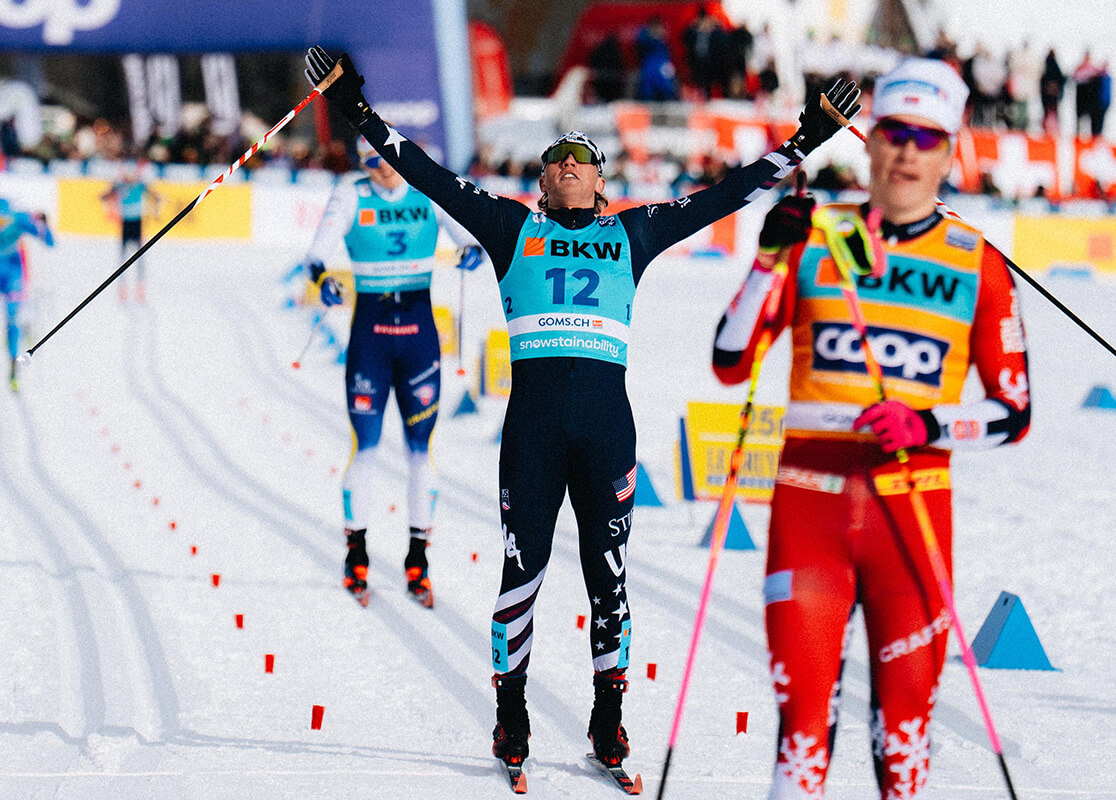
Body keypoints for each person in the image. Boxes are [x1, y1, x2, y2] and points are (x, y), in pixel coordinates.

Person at [302, 45, 859, 776]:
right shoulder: (509, 228)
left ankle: (609, 717)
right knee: (520, 572)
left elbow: (727, 194)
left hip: (606, 431)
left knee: (610, 577)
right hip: (532, 431)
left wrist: (805, 140)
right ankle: (511, 712)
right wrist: (356, 108)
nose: (567, 162)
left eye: (581, 156)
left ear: (601, 181)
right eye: (555, 156)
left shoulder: (634, 232)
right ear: (542, 179)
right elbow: (427, 177)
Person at [711, 58, 1031, 799]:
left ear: (951, 150)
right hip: (809, 511)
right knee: (801, 735)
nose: (908, 152)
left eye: (927, 137)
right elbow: (730, 362)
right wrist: (766, 259)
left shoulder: (977, 263)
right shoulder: (813, 233)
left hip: (911, 521)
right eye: (894, 133)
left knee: (905, 745)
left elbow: (1012, 411)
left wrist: (926, 422)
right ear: (871, 141)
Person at [301, 134, 482, 609]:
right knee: (366, 448)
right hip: (370, 339)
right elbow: (317, 254)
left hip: (420, 338)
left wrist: (471, 251)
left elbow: (470, 237)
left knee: (421, 452)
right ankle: (356, 555)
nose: (382, 173)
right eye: (371, 164)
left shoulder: (426, 190)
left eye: (387, 163)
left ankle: (417, 561)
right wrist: (323, 280)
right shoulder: (351, 193)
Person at [0, 197, 54, 391]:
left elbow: (48, 240)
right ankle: (13, 360)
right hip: (14, 272)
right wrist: (41, 224)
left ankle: (13, 360)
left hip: (13, 272)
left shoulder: (19, 217)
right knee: (13, 321)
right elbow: (49, 240)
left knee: (14, 321)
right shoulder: (18, 217)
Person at [101, 164, 161, 303]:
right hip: (126, 223)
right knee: (123, 256)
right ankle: (122, 286)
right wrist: (113, 188)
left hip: (137, 222)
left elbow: (155, 195)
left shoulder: (140, 185)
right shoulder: (120, 186)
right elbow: (103, 197)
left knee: (139, 257)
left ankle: (140, 286)